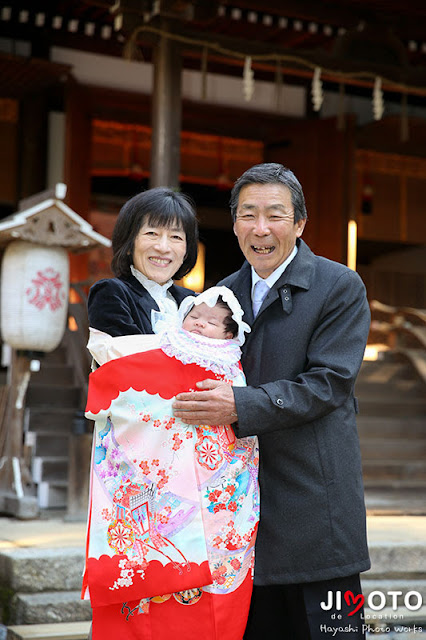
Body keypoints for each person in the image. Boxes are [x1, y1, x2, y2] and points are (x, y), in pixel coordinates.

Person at [173, 163, 371, 640]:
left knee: (333, 632)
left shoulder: (339, 286)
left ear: (300, 224)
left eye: (275, 215)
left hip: (317, 509)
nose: (260, 229)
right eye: (248, 215)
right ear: (235, 222)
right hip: (240, 516)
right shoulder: (219, 296)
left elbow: (329, 381)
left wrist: (241, 405)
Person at [83, 285, 258, 640]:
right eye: (194, 317)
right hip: (163, 477)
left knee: (216, 587)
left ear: (231, 333)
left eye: (210, 322)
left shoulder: (227, 357)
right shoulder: (115, 295)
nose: (199, 325)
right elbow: (120, 377)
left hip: (220, 487)